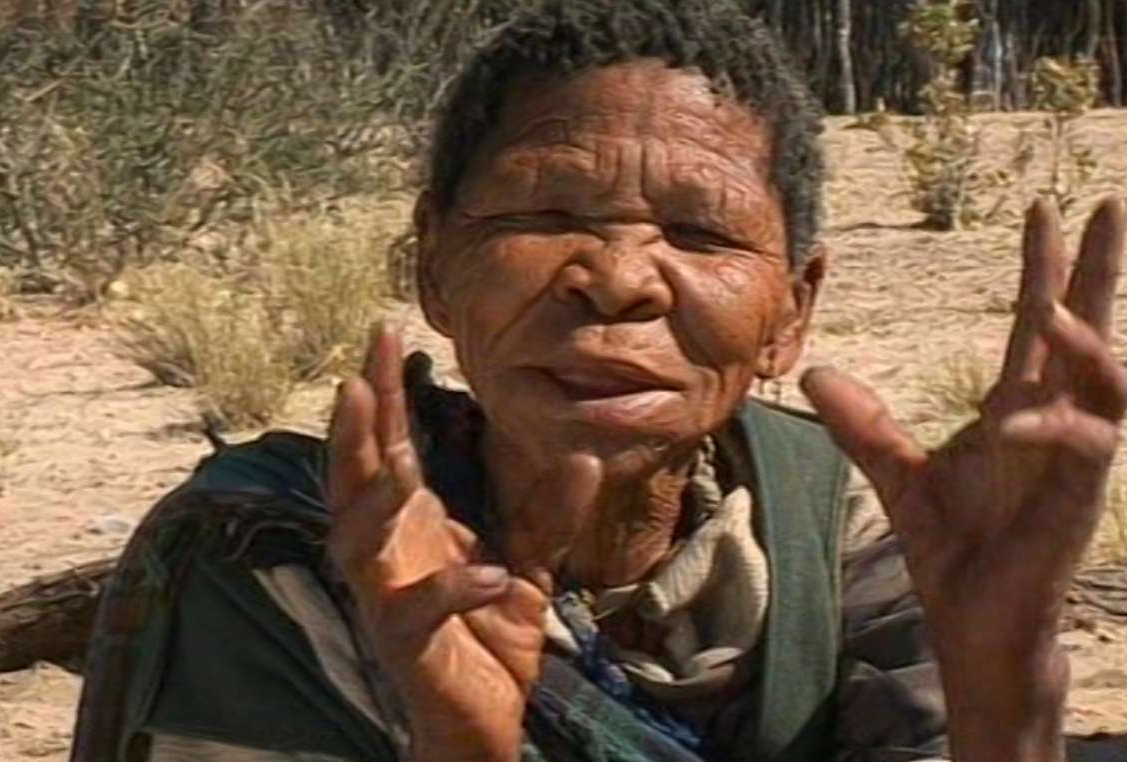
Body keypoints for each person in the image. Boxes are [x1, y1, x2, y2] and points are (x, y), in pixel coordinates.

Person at [71, 1, 1127, 761]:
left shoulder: (848, 527)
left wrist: (1004, 685)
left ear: (790, 312)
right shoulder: (277, 555)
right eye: (544, 217)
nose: (618, 280)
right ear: (433, 268)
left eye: (699, 230)